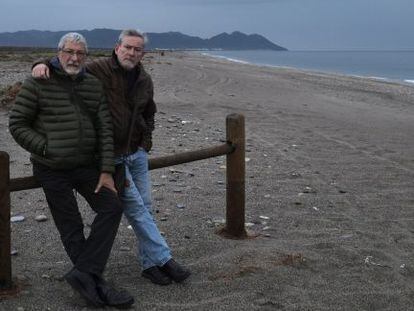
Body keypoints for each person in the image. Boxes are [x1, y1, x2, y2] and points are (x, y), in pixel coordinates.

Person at [32, 29, 191, 286]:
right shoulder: (98, 69)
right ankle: (164, 258)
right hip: (112, 156)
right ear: (117, 47)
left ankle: (150, 264)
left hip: (136, 153)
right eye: (127, 47)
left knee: (146, 207)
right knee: (136, 209)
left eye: (137, 49)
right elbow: (67, 65)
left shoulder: (144, 79)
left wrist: (145, 141)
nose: (131, 52)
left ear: (143, 53)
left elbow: (149, 113)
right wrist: (39, 64)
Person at [10, 32, 134, 308]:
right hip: (51, 168)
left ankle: (84, 274)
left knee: (112, 207)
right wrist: (46, 147)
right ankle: (96, 284)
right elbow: (17, 124)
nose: (75, 58)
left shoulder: (91, 85)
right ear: (59, 52)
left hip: (87, 166)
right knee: (71, 225)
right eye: (69, 52)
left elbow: (104, 129)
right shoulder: (37, 83)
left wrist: (105, 171)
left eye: (80, 53)